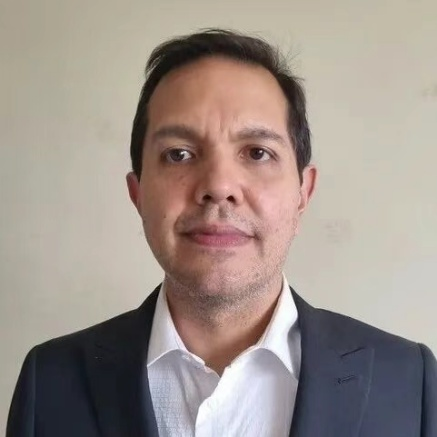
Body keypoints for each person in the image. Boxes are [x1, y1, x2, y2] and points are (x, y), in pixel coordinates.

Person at [7, 28, 437, 437]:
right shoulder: (52, 382)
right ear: (137, 193)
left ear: (302, 193)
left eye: (257, 152)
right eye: (179, 154)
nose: (218, 186)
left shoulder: (407, 381)